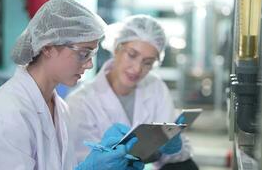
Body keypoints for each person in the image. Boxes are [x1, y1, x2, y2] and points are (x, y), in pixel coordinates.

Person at [0, 0, 144, 170]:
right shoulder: (1, 122)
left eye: (92, 54)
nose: (89, 64)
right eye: (83, 53)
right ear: (48, 47)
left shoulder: (59, 108)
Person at [66, 14, 199, 170]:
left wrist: (174, 146)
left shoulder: (155, 87)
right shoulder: (80, 102)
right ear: (116, 48)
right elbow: (80, 161)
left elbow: (174, 157)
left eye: (147, 62)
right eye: (132, 55)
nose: (137, 69)